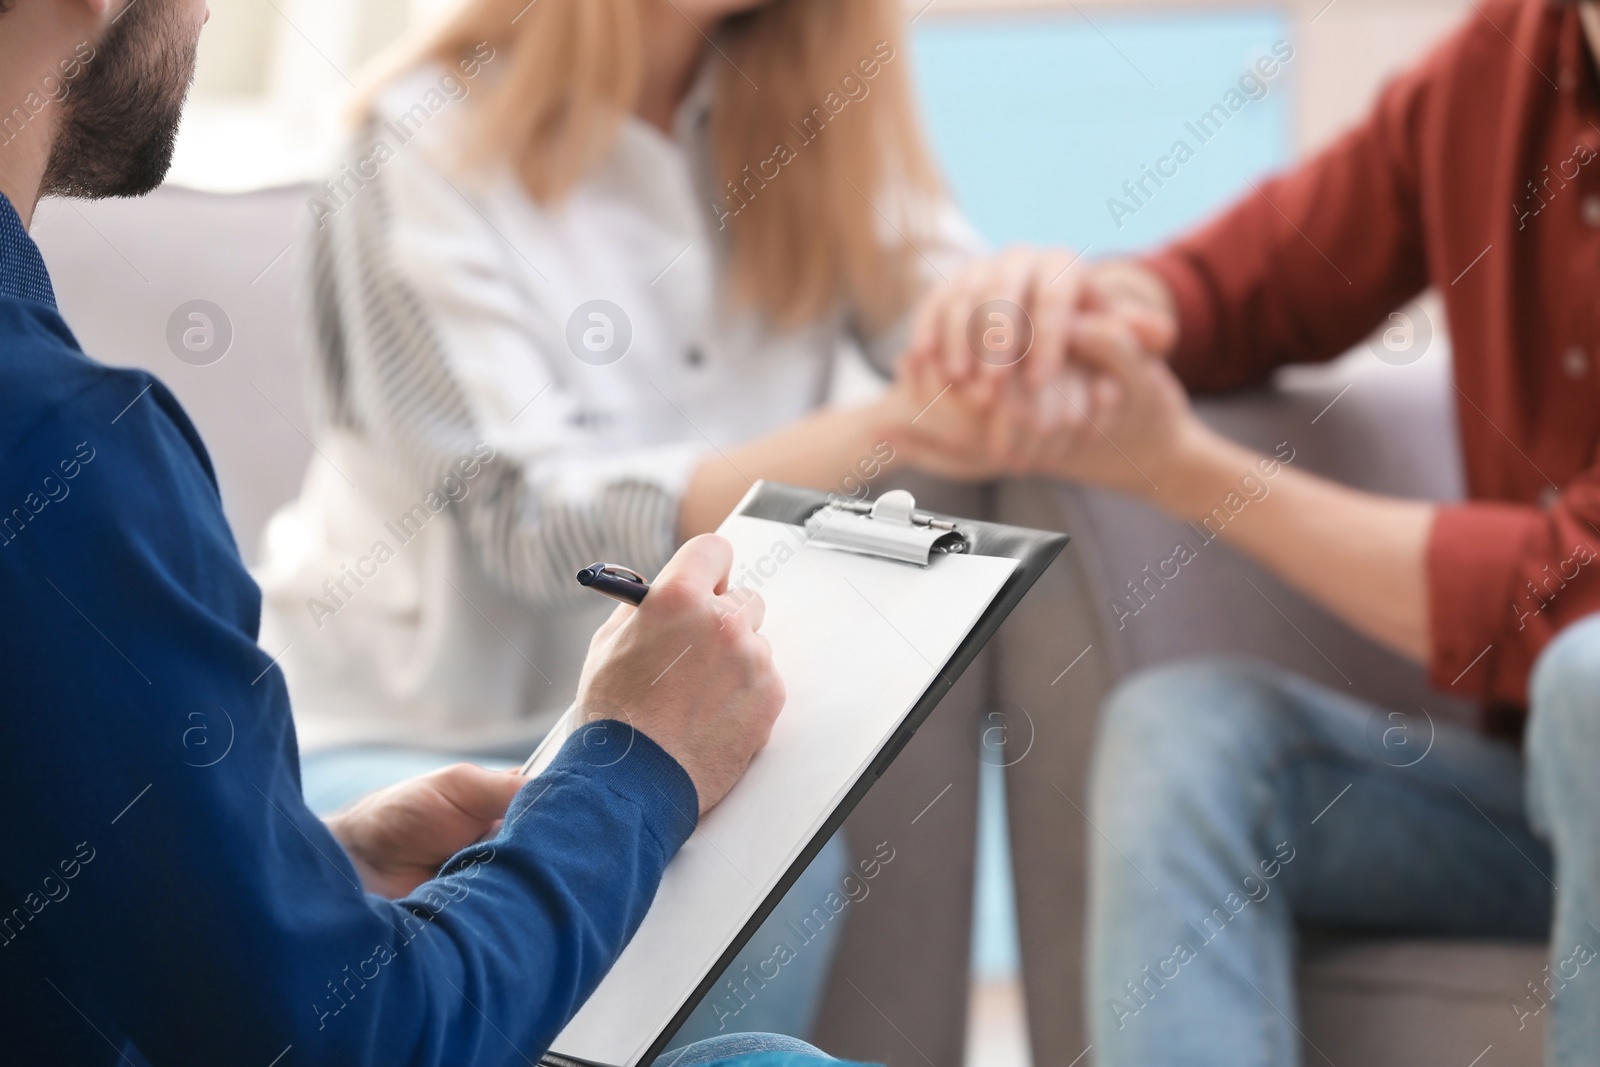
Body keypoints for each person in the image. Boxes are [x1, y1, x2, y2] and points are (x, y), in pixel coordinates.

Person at [0, 1, 837, 1064]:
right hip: (397, 730)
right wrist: (635, 760)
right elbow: (369, 1041)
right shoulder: (61, 449)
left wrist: (313, 875)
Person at [254, 0, 989, 1041]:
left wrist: (1024, 336)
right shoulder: (417, 143)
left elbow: (960, 315)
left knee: (775, 865)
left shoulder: (815, 112)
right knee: (690, 863)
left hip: (684, 714)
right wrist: (881, 426)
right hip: (404, 733)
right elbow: (526, 526)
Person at [892, 0, 1600, 1063]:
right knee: (1184, 735)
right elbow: (1250, 281)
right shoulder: (1509, 59)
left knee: (1588, 678)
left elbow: (1565, 594)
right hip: (1541, 809)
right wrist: (1067, 317)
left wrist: (1181, 470)